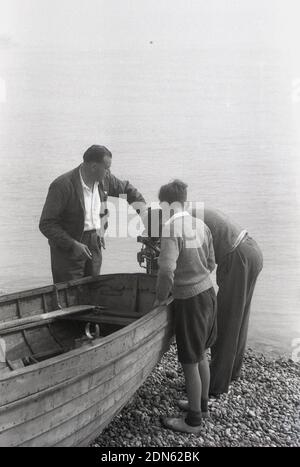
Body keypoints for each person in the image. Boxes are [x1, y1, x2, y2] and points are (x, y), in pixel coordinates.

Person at [154, 180, 217, 433]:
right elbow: (212, 262)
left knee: (189, 360)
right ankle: (201, 405)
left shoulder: (171, 228)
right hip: (208, 293)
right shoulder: (200, 224)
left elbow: (166, 270)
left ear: (166, 205)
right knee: (201, 353)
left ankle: (193, 421)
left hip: (189, 300)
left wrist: (160, 298)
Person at [39, 145, 147, 283]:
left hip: (94, 243)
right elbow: (46, 224)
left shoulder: (105, 180)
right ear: (94, 167)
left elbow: (128, 190)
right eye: (106, 168)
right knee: (70, 293)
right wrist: (72, 244)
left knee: (94, 288)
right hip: (68, 250)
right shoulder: (62, 185)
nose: (109, 172)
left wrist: (143, 214)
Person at [189, 207, 263, 396]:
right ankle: (233, 371)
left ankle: (215, 385)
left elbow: (197, 261)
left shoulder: (187, 223)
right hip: (251, 250)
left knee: (226, 321)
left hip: (238, 257)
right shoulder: (195, 211)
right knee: (240, 317)